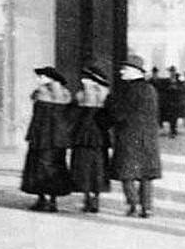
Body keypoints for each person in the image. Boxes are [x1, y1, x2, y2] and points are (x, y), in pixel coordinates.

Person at [106, 54, 161, 218]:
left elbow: (119, 114)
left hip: (129, 137)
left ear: (135, 71)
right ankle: (147, 208)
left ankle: (133, 205)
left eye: (125, 69)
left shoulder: (127, 90)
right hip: (148, 138)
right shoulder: (151, 89)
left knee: (127, 174)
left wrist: (109, 106)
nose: (122, 72)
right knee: (146, 174)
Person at [20, 66, 74, 212]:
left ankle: (42, 199)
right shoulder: (65, 95)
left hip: (41, 137)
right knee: (56, 166)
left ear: (50, 78)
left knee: (39, 167)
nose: (39, 79)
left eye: (41, 77)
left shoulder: (42, 94)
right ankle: (52, 201)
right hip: (58, 138)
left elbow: (38, 119)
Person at [69, 66, 111, 213]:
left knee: (86, 167)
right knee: (96, 167)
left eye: (86, 78)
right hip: (98, 137)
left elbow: (75, 115)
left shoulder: (83, 95)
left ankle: (89, 197)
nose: (82, 80)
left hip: (85, 136)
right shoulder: (105, 96)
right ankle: (94, 197)